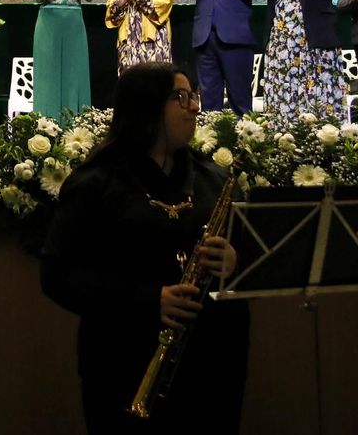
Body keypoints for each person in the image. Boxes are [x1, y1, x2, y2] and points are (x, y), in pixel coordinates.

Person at [41, 61, 246, 434]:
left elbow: (252, 258)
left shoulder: (212, 180)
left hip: (209, 366)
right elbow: (57, 276)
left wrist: (235, 261)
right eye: (179, 97)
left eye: (192, 96)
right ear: (146, 107)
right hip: (123, 362)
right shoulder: (95, 184)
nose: (193, 107)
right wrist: (150, 299)